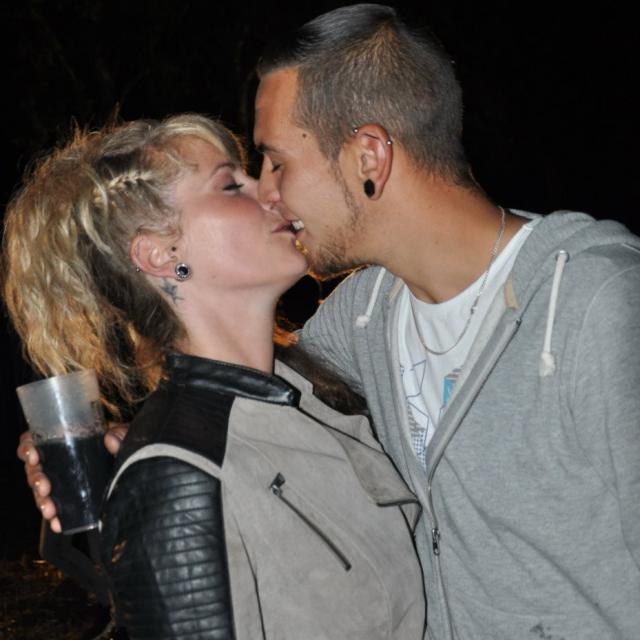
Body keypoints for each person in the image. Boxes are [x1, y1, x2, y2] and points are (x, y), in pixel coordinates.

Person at [19, 4, 640, 639]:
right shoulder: (365, 320)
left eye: (276, 162)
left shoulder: (596, 305)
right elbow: (234, 413)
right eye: (239, 181)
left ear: (369, 156)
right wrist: (127, 453)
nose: (268, 192)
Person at [5, 114, 425, 639]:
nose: (270, 191)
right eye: (230, 185)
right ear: (161, 254)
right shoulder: (178, 475)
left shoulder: (309, 391)